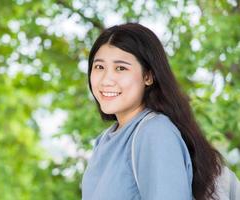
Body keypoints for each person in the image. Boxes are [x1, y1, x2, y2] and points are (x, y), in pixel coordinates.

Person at [81, 23, 224, 200]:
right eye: (99, 67)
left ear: (148, 76)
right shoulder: (104, 140)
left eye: (121, 68)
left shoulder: (155, 132)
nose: (106, 80)